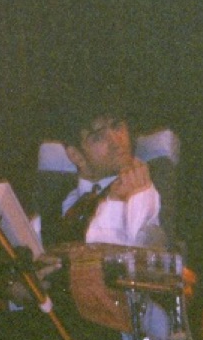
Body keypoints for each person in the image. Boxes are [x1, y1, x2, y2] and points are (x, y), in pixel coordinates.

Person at [47, 100, 172, 249]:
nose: (116, 142)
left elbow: (107, 260)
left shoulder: (139, 190)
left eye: (117, 127)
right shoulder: (63, 201)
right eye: (98, 137)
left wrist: (116, 201)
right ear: (76, 156)